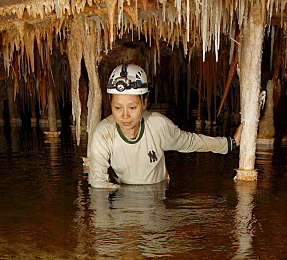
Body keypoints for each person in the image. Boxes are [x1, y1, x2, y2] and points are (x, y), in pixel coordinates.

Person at [88, 63, 243, 188]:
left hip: (157, 194)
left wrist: (229, 143)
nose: (125, 115)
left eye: (132, 107)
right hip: (123, 196)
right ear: (110, 105)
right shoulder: (103, 133)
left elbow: (189, 142)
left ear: (145, 103)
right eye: (118, 108)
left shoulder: (157, 126)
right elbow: (98, 182)